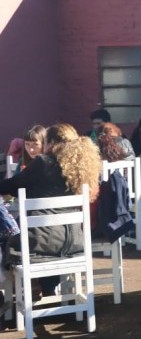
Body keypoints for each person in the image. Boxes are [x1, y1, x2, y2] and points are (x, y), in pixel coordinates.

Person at [0, 123, 102, 297]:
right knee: (44, 234)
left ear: (52, 143)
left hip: (41, 244)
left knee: (9, 237)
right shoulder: (80, 169)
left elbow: (13, 184)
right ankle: (45, 288)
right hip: (75, 242)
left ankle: (20, 289)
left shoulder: (43, 163)